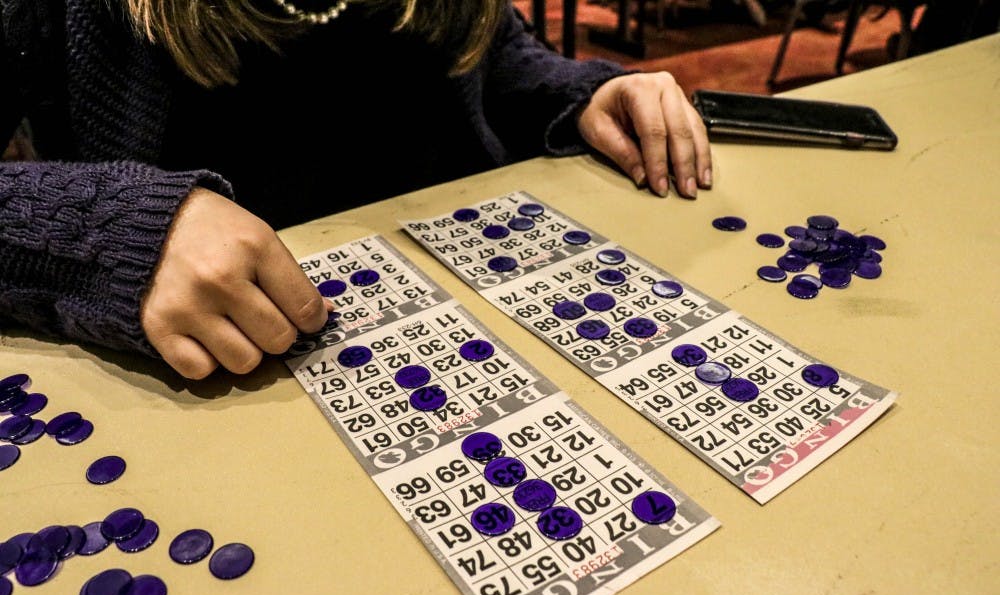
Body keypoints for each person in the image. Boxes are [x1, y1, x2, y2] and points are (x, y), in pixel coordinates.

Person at [0, 0, 712, 380]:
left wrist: (579, 92)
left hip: (483, 329)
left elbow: (486, 51)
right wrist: (106, 235)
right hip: (228, 385)